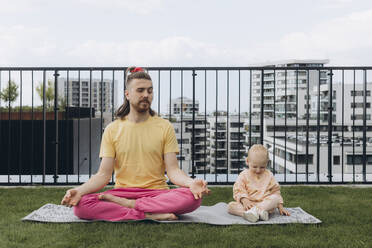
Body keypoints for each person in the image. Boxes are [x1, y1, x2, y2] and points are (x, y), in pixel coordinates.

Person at [61, 66, 210, 221]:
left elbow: (173, 171)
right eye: (140, 90)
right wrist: (79, 190)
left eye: (150, 91)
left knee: (192, 198)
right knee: (82, 205)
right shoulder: (112, 129)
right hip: (123, 192)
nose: (146, 95)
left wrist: (191, 183)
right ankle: (146, 214)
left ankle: (131, 207)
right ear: (127, 94)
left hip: (157, 192)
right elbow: (103, 174)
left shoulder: (165, 127)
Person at [227, 144, 290, 222]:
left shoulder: (269, 176)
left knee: (275, 199)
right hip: (248, 204)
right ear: (247, 161)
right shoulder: (243, 175)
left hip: (264, 204)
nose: (258, 170)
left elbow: (275, 191)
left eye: (262, 167)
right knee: (231, 206)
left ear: (266, 163)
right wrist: (245, 200)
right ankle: (258, 213)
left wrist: (280, 207)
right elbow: (239, 189)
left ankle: (253, 213)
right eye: (254, 167)